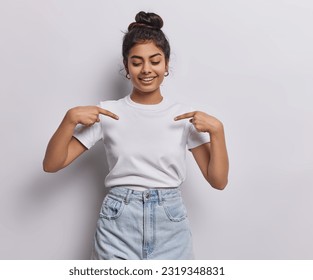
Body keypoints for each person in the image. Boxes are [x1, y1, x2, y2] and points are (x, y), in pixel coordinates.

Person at [43, 11, 229, 260]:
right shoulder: (109, 113)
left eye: (155, 60)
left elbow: (218, 181)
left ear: (166, 64)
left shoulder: (184, 117)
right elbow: (52, 164)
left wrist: (218, 132)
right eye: (137, 61)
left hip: (170, 223)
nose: (146, 69)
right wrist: (69, 120)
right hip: (118, 222)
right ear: (126, 66)